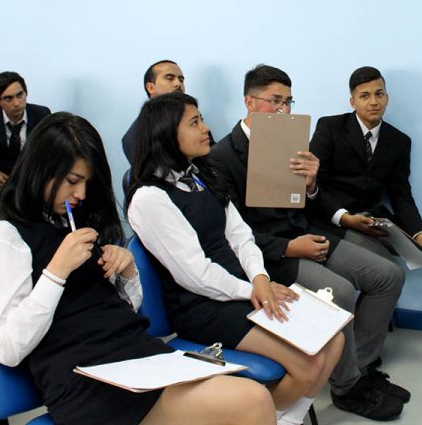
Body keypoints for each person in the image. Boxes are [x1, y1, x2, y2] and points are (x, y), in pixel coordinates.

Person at [0, 112, 276, 425]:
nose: (80, 194)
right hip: (86, 379)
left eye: (87, 183)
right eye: (72, 181)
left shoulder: (72, 218)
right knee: (250, 403)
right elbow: (6, 348)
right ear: (39, 170)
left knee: (249, 399)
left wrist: (127, 273)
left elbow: (122, 311)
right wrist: (55, 274)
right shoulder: (3, 235)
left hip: (136, 356)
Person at [127, 92, 344, 425]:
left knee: (335, 337)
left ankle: (285, 418)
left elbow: (241, 236)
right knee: (308, 363)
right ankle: (271, 417)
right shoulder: (149, 198)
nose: (206, 128)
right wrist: (254, 290)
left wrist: (260, 278)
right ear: (166, 132)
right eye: (195, 122)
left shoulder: (202, 175)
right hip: (202, 306)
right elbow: (194, 274)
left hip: (245, 288)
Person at [208, 64, 408, 421]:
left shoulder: (289, 143)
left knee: (388, 276)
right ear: (249, 103)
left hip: (305, 231)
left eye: (288, 101)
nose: (284, 110)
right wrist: (288, 248)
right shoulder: (221, 158)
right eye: (275, 101)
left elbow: (304, 201)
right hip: (270, 253)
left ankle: (356, 368)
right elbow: (232, 234)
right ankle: (346, 388)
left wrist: (312, 184)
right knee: (342, 292)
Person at [309, 66, 422, 367]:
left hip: (378, 221)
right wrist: (344, 217)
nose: (373, 101)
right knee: (386, 267)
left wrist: (421, 236)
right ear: (352, 101)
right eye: (364, 96)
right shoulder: (330, 128)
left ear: (387, 97)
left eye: (379, 94)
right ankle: (362, 358)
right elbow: (313, 185)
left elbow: (401, 195)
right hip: (338, 222)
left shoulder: (398, 141)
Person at [122, 60, 187, 161]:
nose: (178, 84)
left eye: (181, 80)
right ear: (151, 88)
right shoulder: (137, 136)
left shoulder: (191, 120)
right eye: (170, 78)